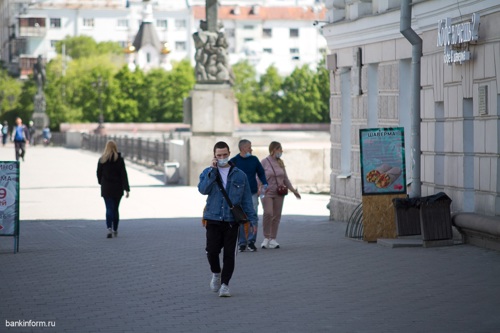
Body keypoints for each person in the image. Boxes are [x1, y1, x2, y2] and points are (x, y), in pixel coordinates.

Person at [198, 141, 257, 297]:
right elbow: (203, 190)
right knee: (212, 251)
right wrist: (212, 171)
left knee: (230, 254)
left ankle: (225, 284)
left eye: (225, 154)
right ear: (214, 156)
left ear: (229, 153)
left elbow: (246, 200)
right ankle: (216, 273)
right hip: (213, 217)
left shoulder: (239, 175)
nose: (222, 158)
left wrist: (252, 221)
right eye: (219, 155)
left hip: (232, 220)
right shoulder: (208, 172)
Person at [260, 141, 301, 249]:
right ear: (274, 149)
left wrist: (293, 190)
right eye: (280, 149)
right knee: (268, 213)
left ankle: (273, 239)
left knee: (276, 216)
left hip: (279, 193)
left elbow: (285, 179)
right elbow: (259, 176)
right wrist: (259, 189)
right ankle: (266, 237)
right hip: (267, 192)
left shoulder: (280, 163)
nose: (281, 152)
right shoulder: (264, 162)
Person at [229, 139, 268, 252]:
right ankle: (242, 242)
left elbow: (261, 172)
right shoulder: (234, 161)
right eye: (249, 147)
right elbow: (227, 175)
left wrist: (264, 183)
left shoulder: (254, 160)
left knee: (253, 217)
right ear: (242, 148)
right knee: (241, 218)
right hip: (238, 195)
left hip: (252, 193)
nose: (251, 149)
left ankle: (251, 241)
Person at [97, 140, 130, 239]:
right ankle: (115, 228)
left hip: (106, 188)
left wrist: (101, 182)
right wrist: (126, 189)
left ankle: (109, 228)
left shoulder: (102, 159)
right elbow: (124, 175)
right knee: (115, 209)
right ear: (115, 147)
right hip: (117, 188)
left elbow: (98, 173)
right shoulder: (119, 160)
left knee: (108, 208)